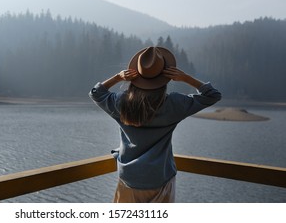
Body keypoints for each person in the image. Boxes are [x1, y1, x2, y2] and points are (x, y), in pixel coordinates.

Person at [89, 46, 221, 203]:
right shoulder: (174, 104)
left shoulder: (122, 103)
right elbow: (212, 95)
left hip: (130, 178)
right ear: (165, 78)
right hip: (160, 178)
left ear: (135, 77)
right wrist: (185, 78)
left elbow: (96, 93)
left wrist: (117, 77)